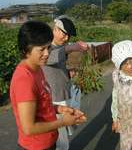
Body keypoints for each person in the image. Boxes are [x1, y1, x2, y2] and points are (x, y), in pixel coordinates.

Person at [10, 21, 87, 150]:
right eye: (41, 49)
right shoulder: (24, 79)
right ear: (26, 50)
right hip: (36, 146)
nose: (46, 53)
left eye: (48, 48)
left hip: (48, 141)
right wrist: (62, 122)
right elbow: (29, 128)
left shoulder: (37, 69)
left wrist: (59, 109)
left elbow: (41, 103)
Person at [42, 16, 88, 150]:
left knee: (63, 132)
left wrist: (68, 72)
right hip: (53, 99)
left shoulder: (61, 46)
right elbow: (51, 58)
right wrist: (73, 47)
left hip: (63, 95)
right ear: (55, 29)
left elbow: (55, 66)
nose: (66, 38)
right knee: (60, 137)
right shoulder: (46, 47)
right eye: (64, 33)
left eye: (69, 36)